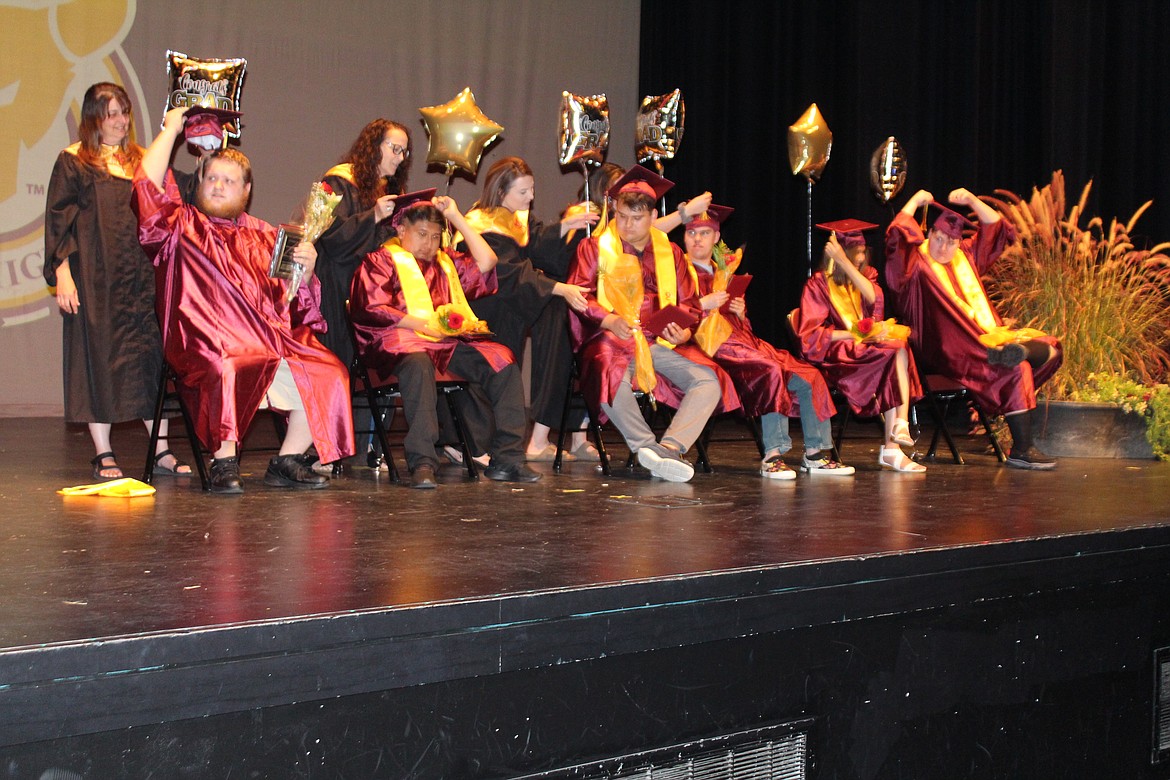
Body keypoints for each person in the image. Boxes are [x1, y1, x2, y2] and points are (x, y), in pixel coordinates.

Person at [133, 106, 355, 494]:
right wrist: (170, 130)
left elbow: (295, 305)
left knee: (328, 369)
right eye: (212, 178)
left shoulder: (269, 236)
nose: (219, 186)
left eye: (230, 181)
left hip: (267, 341)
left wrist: (307, 269)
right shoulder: (179, 227)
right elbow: (147, 189)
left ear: (247, 190)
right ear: (199, 184)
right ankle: (224, 461)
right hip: (205, 344)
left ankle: (287, 460)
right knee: (231, 363)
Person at [44, 82, 191, 481]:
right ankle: (104, 452)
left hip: (141, 279)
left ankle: (159, 450)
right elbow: (59, 221)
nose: (121, 121)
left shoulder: (143, 160)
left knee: (149, 361)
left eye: (124, 112)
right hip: (94, 277)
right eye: (111, 114)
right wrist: (62, 273)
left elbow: (180, 195)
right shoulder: (74, 161)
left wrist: (207, 147)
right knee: (97, 360)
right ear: (94, 117)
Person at [349, 193, 541, 488]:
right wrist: (423, 324)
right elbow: (370, 307)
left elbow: (488, 261)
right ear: (401, 231)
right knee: (419, 364)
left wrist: (455, 218)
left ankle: (508, 458)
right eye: (422, 234)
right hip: (395, 343)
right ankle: (423, 462)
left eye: (436, 236)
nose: (429, 243)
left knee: (501, 358)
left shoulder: (446, 263)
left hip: (444, 344)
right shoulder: (381, 260)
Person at [566, 165, 738, 483]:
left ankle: (670, 449)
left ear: (652, 215)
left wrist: (685, 328)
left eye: (637, 218)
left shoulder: (670, 253)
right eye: (622, 217)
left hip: (659, 340)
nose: (628, 225)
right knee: (609, 374)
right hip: (611, 340)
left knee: (708, 380)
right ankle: (646, 446)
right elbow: (580, 295)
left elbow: (688, 303)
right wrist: (608, 318)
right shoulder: (594, 248)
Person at [885, 188, 1063, 469]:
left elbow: (994, 228)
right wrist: (916, 202)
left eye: (952, 242)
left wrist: (971, 200)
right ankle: (1022, 448)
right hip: (947, 350)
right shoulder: (915, 268)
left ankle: (1015, 352)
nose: (944, 247)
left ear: (960, 243)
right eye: (939, 238)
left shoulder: (966, 256)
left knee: (1051, 347)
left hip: (985, 341)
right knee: (1016, 369)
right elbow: (897, 238)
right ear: (930, 233)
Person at [684, 206, 852, 478]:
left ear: (716, 238)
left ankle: (815, 453)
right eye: (691, 233)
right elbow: (673, 313)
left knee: (809, 375)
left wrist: (740, 313)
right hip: (709, 350)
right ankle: (773, 454)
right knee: (770, 369)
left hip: (743, 344)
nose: (697, 239)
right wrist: (703, 305)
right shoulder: (680, 272)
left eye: (704, 233)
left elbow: (742, 329)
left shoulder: (723, 272)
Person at [460, 157, 595, 462]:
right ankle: (478, 444)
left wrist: (566, 226)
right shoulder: (479, 222)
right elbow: (506, 272)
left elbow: (538, 247)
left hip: (514, 305)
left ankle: (534, 436)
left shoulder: (518, 218)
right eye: (523, 192)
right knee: (493, 370)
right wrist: (558, 288)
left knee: (557, 317)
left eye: (532, 190)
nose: (531, 198)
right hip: (486, 307)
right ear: (500, 191)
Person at [313, 119, 411, 469]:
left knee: (379, 361)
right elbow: (330, 238)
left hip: (371, 292)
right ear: (374, 147)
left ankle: (372, 448)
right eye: (394, 148)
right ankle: (327, 449)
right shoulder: (338, 181)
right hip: (336, 288)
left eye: (404, 151)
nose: (400, 158)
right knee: (337, 366)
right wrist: (373, 216)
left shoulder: (384, 191)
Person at [795, 221, 924, 472]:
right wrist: (852, 334)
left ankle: (898, 430)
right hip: (836, 355)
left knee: (897, 347)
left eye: (863, 252)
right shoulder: (818, 285)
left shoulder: (866, 278)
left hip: (867, 351)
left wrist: (847, 265)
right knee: (894, 352)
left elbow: (876, 300)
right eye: (856, 253)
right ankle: (894, 440)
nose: (861, 258)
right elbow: (809, 335)